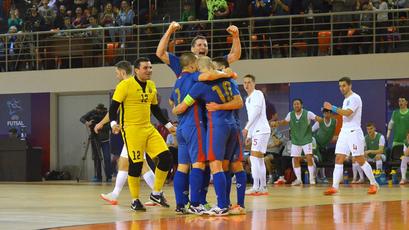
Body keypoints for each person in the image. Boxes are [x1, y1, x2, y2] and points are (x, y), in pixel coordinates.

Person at [173, 56, 243, 216]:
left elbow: (182, 105)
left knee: (213, 165)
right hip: (232, 125)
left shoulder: (200, 85)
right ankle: (228, 203)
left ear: (198, 68)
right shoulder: (229, 80)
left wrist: (175, 111)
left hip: (215, 127)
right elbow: (239, 103)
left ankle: (219, 205)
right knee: (226, 165)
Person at [109, 57, 175, 211]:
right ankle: (135, 200)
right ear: (137, 70)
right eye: (145, 68)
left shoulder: (151, 85)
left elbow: (155, 109)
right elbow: (113, 109)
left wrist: (169, 125)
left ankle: (156, 193)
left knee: (166, 157)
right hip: (131, 129)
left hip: (148, 128)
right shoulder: (125, 85)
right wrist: (113, 124)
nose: (149, 71)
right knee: (136, 164)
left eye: (150, 68)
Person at [97, 61, 162, 207]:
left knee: (140, 164)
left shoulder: (126, 85)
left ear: (121, 71)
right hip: (134, 129)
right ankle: (115, 194)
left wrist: (102, 123)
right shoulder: (135, 84)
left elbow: (112, 110)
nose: (116, 75)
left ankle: (158, 193)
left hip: (134, 130)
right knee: (125, 162)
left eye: (116, 72)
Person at [323, 77, 379, 195]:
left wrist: (332, 108)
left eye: (344, 85)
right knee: (338, 158)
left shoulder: (355, 98)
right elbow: (345, 116)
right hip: (344, 132)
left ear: (350, 86)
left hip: (354, 132)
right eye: (340, 86)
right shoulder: (345, 100)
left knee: (359, 159)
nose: (341, 88)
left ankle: (374, 184)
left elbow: (348, 113)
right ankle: (335, 187)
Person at [209, 57, 247, 215]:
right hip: (224, 129)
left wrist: (218, 107)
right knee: (223, 166)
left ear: (224, 68)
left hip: (234, 128)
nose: (214, 72)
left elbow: (239, 103)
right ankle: (225, 203)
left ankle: (241, 204)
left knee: (236, 165)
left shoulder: (230, 82)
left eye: (216, 68)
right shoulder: (220, 83)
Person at [156, 21, 241, 77]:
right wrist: (170, 30)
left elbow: (235, 56)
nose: (203, 47)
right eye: (199, 45)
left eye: (205, 45)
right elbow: (160, 53)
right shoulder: (182, 63)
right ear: (192, 49)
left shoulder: (213, 63)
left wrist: (236, 36)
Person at [273, 99, 322, 185]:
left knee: (309, 158)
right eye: (294, 104)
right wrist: (277, 123)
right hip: (296, 140)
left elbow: (317, 119)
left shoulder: (308, 113)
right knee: (295, 159)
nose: (296, 105)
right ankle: (299, 180)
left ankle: (311, 178)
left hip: (306, 140)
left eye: (298, 104)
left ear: (301, 105)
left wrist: (318, 120)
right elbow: (285, 121)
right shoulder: (290, 114)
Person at [242, 74, 271, 195]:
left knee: (254, 158)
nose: (247, 85)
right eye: (245, 83)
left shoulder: (258, 94)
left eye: (249, 82)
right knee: (258, 159)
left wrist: (246, 128)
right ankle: (262, 187)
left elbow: (256, 113)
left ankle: (256, 186)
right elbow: (251, 117)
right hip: (257, 131)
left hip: (261, 130)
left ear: (254, 83)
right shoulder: (247, 98)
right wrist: (249, 136)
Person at [80, 103, 112, 182]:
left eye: (100, 110)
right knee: (96, 158)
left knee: (107, 158)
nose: (99, 112)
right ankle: (98, 177)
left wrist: (100, 126)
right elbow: (82, 118)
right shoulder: (92, 112)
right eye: (98, 110)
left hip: (105, 140)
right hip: (95, 139)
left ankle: (109, 176)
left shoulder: (107, 114)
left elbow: (110, 126)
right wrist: (87, 123)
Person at [312, 108, 337, 183]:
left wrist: (333, 138)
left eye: (327, 112)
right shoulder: (320, 121)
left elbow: (331, 133)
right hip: (316, 143)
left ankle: (322, 177)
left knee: (322, 160)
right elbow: (311, 130)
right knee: (319, 159)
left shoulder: (335, 121)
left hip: (324, 145)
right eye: (324, 112)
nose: (325, 113)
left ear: (330, 113)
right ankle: (316, 177)